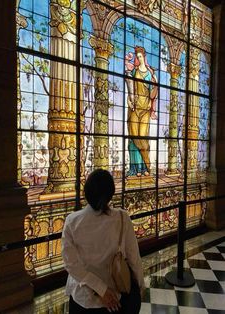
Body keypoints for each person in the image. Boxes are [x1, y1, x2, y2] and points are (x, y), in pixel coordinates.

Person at [62, 169, 145, 313]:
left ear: (86, 192)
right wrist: (140, 286)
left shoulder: (72, 222)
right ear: (110, 194)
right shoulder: (122, 218)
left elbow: (71, 264)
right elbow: (133, 258)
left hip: (84, 300)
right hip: (117, 298)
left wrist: (100, 289)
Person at [125, 46, 158, 177]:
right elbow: (130, 86)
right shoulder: (135, 71)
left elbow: (152, 94)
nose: (138, 58)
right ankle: (136, 169)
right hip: (134, 109)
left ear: (144, 57)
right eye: (137, 56)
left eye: (140, 56)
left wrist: (155, 85)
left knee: (143, 138)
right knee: (134, 138)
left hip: (145, 109)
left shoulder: (150, 74)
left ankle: (146, 166)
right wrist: (129, 100)